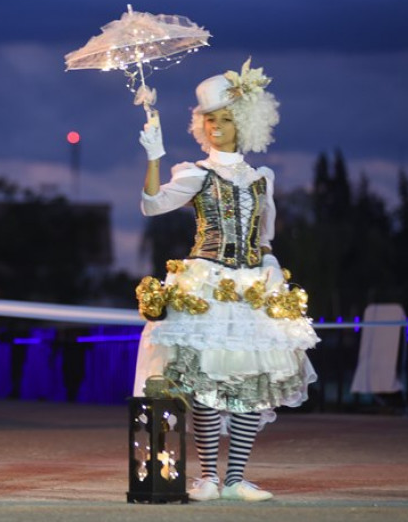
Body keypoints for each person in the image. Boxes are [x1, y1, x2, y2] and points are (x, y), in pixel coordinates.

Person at [132, 58, 319, 502]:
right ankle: (208, 478)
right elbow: (152, 205)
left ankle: (236, 479)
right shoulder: (196, 172)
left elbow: (265, 237)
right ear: (200, 125)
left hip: (253, 287)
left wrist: (271, 265)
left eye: (226, 119)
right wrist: (154, 157)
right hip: (207, 285)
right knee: (206, 383)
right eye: (209, 119)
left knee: (253, 381)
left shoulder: (261, 179)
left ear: (246, 123)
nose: (217, 126)